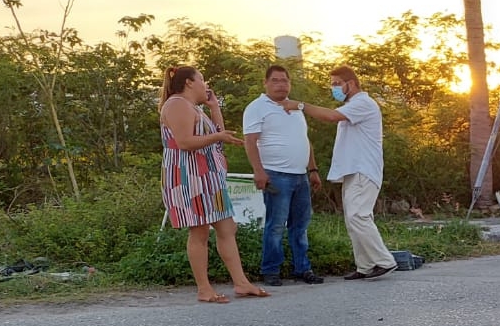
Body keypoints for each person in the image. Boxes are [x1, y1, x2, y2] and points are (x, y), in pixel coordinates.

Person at [159, 66, 268, 303]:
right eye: (202, 80)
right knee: (199, 230)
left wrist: (215, 108)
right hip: (189, 176)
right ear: (189, 82)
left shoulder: (195, 108)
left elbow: (218, 133)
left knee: (227, 227)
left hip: (209, 177)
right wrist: (218, 137)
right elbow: (185, 142)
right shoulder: (177, 104)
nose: (205, 84)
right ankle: (204, 288)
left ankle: (241, 283)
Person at [286, 66, 394, 279]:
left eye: (337, 83)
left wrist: (300, 105)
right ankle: (365, 266)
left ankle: (384, 261)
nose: (333, 88)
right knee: (353, 218)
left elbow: (331, 116)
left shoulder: (363, 103)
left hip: (364, 169)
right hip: (354, 171)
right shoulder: (354, 105)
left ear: (351, 84)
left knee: (358, 216)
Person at [243, 64, 323, 285]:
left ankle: (302, 268)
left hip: (300, 176)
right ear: (266, 83)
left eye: (284, 80)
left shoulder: (296, 107)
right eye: (275, 80)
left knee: (300, 225)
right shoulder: (257, 107)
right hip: (276, 175)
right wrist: (258, 172)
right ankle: (270, 270)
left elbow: (304, 140)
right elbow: (250, 141)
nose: (281, 85)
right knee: (276, 225)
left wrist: (313, 170)